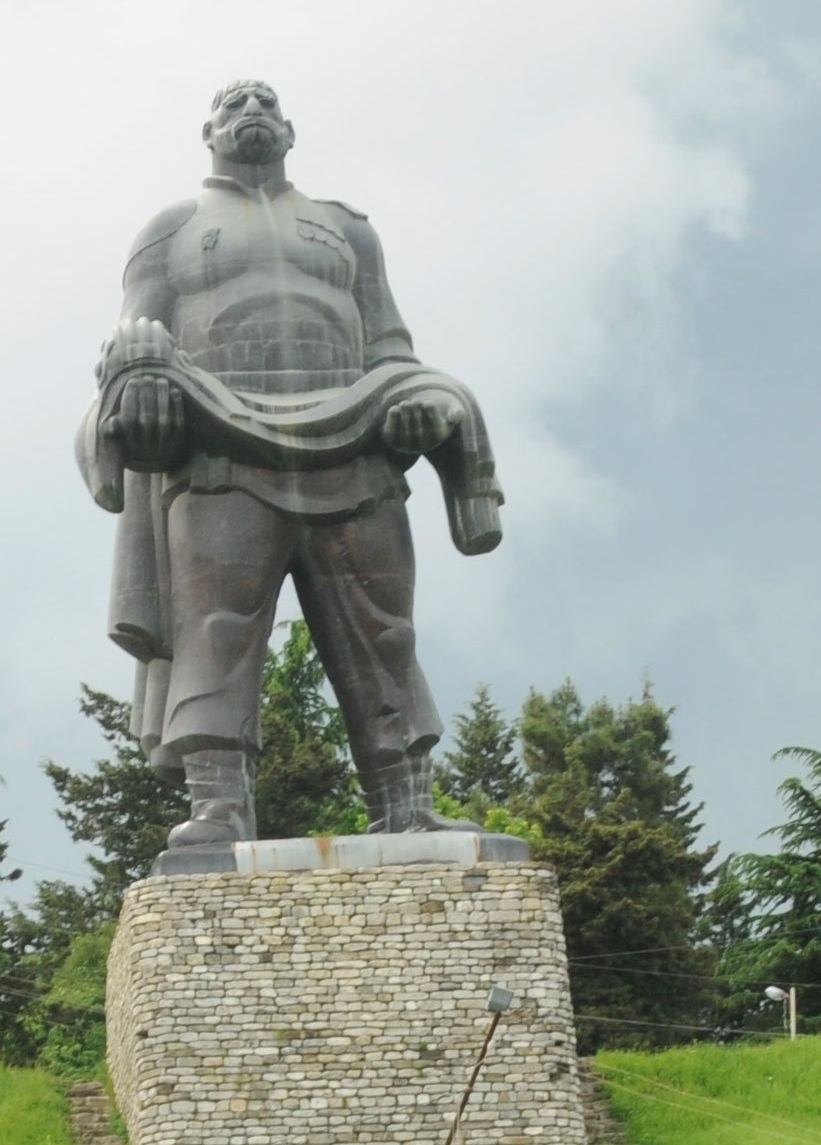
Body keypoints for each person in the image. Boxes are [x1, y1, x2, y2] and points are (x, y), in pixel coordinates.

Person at [76, 80, 504, 849]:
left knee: (386, 636)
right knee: (215, 628)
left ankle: (404, 803)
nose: (251, 111)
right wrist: (137, 376)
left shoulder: (347, 231)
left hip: (354, 450)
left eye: (266, 103)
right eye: (234, 104)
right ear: (208, 131)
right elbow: (132, 338)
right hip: (220, 452)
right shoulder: (171, 229)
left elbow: (389, 347)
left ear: (290, 129)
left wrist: (413, 406)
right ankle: (218, 806)